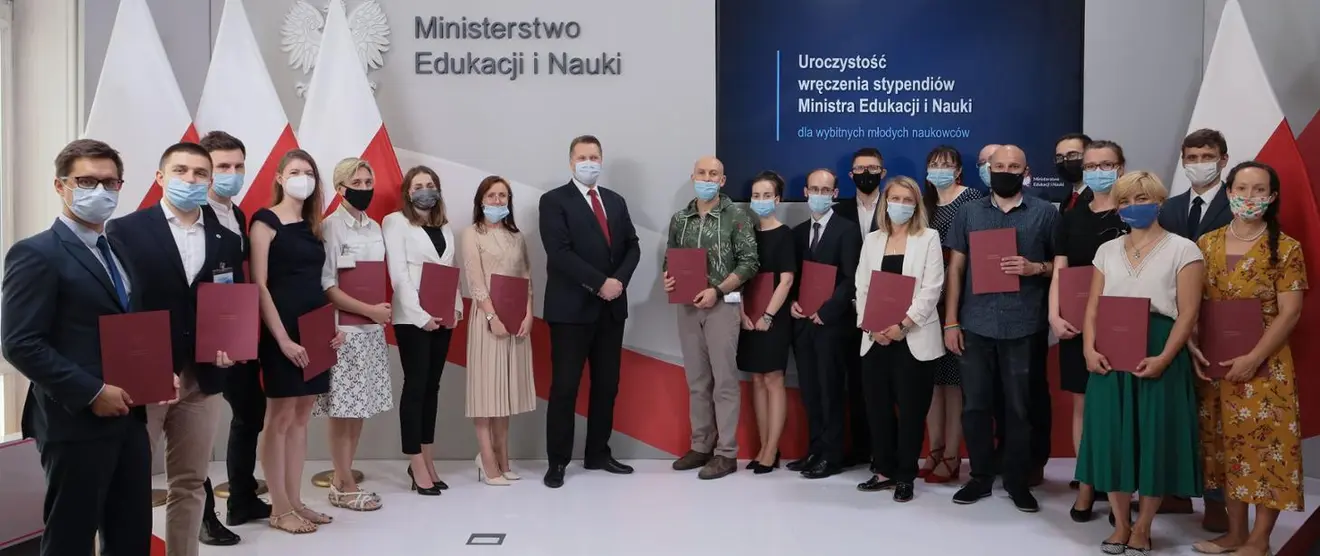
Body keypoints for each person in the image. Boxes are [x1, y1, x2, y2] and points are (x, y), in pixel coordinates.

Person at [1, 139, 154, 556]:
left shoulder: (118, 250)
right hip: (74, 421)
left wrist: (156, 374)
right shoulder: (35, 253)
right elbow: (19, 343)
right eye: (86, 181)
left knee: (131, 533)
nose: (100, 191)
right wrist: (91, 392)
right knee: (70, 538)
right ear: (60, 185)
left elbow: (127, 324)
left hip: (129, 416)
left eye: (109, 182)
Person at [106, 142, 243, 556]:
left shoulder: (226, 239)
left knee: (190, 481)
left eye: (200, 173)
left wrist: (230, 344)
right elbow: (118, 305)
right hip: (144, 379)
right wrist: (146, 364)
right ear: (160, 177)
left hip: (203, 376)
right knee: (128, 481)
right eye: (181, 171)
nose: (190, 179)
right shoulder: (124, 231)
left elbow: (229, 301)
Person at [1076, 171, 1204, 555]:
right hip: (1110, 351)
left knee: (1153, 438)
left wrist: (1165, 358)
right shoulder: (1106, 250)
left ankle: (1143, 527)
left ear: (1159, 202)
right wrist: (1088, 348)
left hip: (1159, 350)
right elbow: (1093, 307)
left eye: (1142, 198)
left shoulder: (1184, 250)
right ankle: (1121, 525)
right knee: (1112, 438)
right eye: (1125, 200)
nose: (1133, 206)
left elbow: (1188, 312)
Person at [1191, 162, 1306, 556]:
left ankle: (1259, 540)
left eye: (1259, 190)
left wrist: (1254, 357)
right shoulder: (1206, 243)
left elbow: (1290, 312)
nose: (1249, 197)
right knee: (1226, 449)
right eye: (1242, 188)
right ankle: (1235, 533)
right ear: (1228, 192)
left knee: (1268, 449)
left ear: (1272, 197)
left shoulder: (1286, 248)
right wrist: (1192, 344)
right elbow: (1195, 304)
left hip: (1265, 365)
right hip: (1216, 364)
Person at [943, 145, 1058, 512]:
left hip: (1024, 325)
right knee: (975, 406)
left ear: (1026, 172)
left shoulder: (1045, 212)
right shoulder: (968, 212)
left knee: (1020, 409)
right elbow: (956, 268)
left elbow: (1062, 266)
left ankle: (1016, 480)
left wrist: (1035, 268)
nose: (1006, 171)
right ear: (988, 169)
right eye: (1000, 165)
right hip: (976, 324)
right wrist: (951, 320)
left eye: (1014, 166)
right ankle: (980, 476)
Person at [250, 149, 346, 534]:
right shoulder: (265, 221)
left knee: (303, 417)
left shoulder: (313, 226)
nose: (302, 178)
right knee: (279, 418)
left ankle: (296, 500)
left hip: (314, 329)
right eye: (294, 171)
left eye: (308, 172)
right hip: (282, 331)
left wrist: (331, 327)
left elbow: (319, 284)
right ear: (279, 177)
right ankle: (278, 507)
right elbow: (259, 286)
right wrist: (283, 339)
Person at [539, 135, 641, 489]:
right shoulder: (554, 201)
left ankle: (598, 452)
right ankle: (558, 461)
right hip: (571, 310)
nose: (589, 163)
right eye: (582, 157)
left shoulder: (615, 201)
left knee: (607, 386)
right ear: (571, 162)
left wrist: (618, 282)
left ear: (602, 160)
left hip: (611, 310)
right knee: (565, 387)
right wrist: (600, 283)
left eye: (594, 157)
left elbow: (632, 246)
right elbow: (559, 253)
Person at [662, 155, 759, 480]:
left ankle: (726, 453)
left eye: (713, 174)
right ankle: (701, 445)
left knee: (725, 381)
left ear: (722, 180)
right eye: (701, 173)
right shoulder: (680, 219)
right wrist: (667, 278)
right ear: (693, 177)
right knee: (697, 381)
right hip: (687, 307)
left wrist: (717, 290)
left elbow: (749, 263)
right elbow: (670, 258)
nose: (707, 178)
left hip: (722, 307)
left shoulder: (737, 216)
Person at [1047, 139, 1129, 522]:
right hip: (1077, 324)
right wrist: (1054, 314)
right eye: (1091, 166)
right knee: (1082, 404)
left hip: (1123, 322)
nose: (1098, 172)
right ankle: (1085, 486)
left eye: (1106, 165)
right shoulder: (1071, 216)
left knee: (1120, 408)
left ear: (1121, 168)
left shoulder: (1132, 213)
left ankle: (1119, 493)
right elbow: (1059, 270)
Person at [1156, 128, 1233, 526]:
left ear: (1223, 159)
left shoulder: (1238, 204)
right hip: (1170, 320)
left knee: (1216, 416)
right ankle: (1175, 493)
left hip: (1222, 323)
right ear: (1183, 161)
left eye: (1207, 156)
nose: (1199, 163)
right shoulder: (1168, 209)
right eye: (1192, 157)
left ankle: (1217, 503)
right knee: (1174, 409)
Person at [196, 131, 269, 544]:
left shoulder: (238, 215)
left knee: (251, 410)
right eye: (223, 166)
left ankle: (242, 497)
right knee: (196, 429)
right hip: (201, 336)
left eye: (238, 165)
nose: (232, 173)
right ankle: (204, 516)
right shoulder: (192, 214)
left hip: (236, 329)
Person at [854, 176, 945, 502]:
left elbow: (932, 289)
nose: (901, 205)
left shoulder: (929, 238)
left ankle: (906, 474)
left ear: (917, 205)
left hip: (913, 338)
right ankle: (883, 470)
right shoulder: (872, 240)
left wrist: (902, 326)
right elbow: (862, 286)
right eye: (895, 198)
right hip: (875, 337)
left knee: (911, 411)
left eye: (908, 200)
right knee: (877, 409)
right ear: (885, 202)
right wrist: (872, 327)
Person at [313, 157, 393, 511]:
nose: (363, 188)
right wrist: (369, 310)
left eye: (367, 182)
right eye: (356, 183)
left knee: (360, 407)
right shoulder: (330, 227)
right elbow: (327, 284)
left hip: (371, 331)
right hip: (343, 332)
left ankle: (344, 477)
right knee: (342, 409)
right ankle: (342, 481)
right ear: (340, 188)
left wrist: (376, 314)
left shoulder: (374, 227)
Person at [382, 165, 464, 495]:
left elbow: (450, 270)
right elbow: (398, 274)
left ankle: (428, 457)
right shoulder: (395, 222)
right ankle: (415, 461)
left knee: (433, 387)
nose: (425, 190)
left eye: (430, 184)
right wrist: (420, 315)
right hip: (413, 318)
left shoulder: (444, 225)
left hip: (444, 316)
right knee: (416, 386)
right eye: (418, 186)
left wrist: (455, 308)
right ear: (408, 192)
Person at [785, 168, 862, 480]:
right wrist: (792, 302)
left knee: (831, 390)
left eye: (825, 189)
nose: (819, 194)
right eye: (814, 189)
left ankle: (832, 455)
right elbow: (792, 277)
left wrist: (827, 311)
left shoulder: (848, 230)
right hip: (803, 324)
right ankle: (815, 450)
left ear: (835, 193)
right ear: (805, 192)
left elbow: (851, 278)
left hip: (832, 325)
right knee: (810, 390)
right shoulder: (797, 232)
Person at [462, 176, 537, 486]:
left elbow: (527, 278)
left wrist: (529, 314)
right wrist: (491, 316)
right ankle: (487, 459)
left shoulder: (516, 237)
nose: (497, 200)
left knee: (504, 392)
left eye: (502, 195)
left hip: (515, 319)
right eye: (491, 195)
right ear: (481, 200)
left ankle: (504, 459)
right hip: (487, 320)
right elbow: (475, 279)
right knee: (486, 392)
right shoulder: (472, 234)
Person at [919, 145, 983, 484]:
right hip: (927, 303)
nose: (939, 169)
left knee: (955, 383)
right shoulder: (924, 204)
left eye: (946, 164)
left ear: (958, 170)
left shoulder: (971, 200)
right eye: (933, 164)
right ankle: (934, 448)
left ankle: (953, 454)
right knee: (932, 382)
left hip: (959, 302)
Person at [737, 171, 796, 474]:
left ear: (778, 199)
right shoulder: (746, 234)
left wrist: (768, 315)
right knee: (756, 380)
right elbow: (738, 277)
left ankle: (772, 449)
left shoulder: (785, 235)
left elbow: (786, 281)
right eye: (756, 195)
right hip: (747, 316)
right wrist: (742, 314)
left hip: (774, 317)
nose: (760, 201)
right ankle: (763, 446)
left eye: (767, 195)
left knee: (773, 379)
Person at [831, 147, 885, 467]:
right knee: (854, 382)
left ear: (883, 172)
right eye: (860, 169)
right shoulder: (838, 211)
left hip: (886, 306)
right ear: (850, 175)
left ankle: (884, 451)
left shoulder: (895, 206)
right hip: (847, 309)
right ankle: (861, 448)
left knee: (883, 383)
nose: (867, 174)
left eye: (873, 168)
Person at [1056, 133, 1094, 211]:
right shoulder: (1066, 202)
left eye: (1072, 155)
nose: (1065, 160)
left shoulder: (1099, 199)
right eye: (1060, 157)